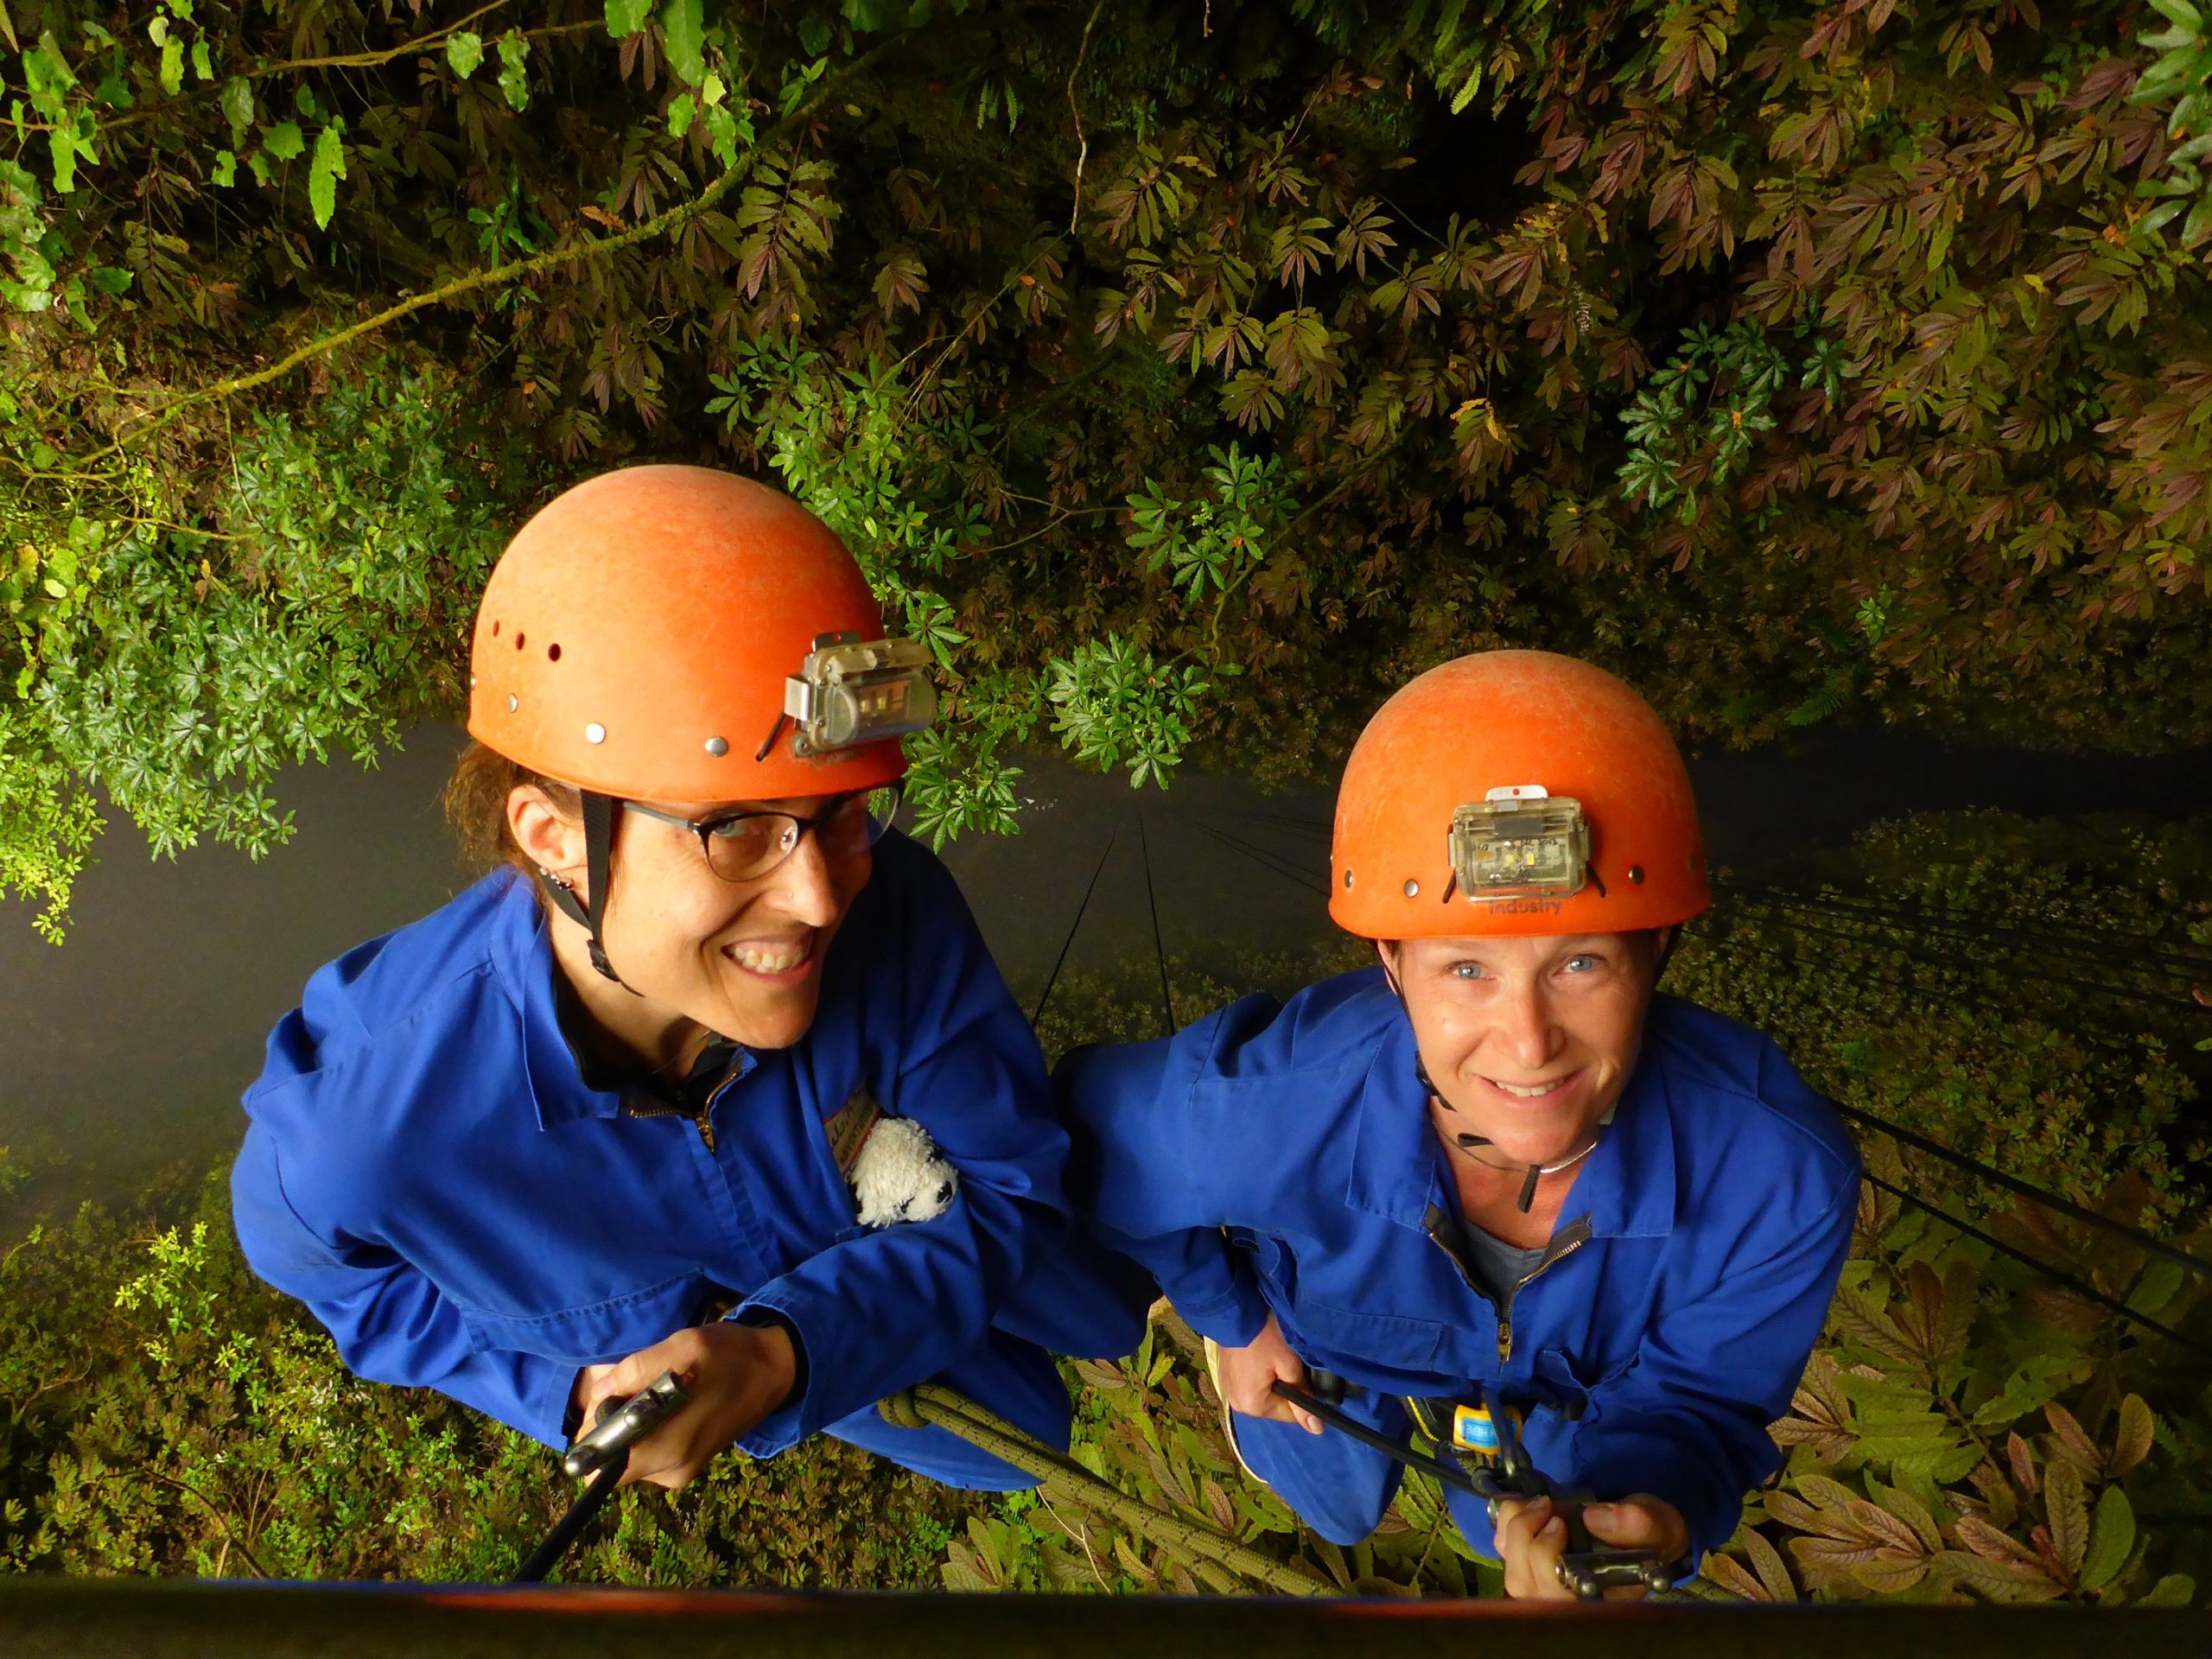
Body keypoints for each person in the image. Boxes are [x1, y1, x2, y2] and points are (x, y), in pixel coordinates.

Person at [233, 465, 1135, 1494]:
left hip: (1016, 1294)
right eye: (736, 828)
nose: (818, 897)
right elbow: (339, 1283)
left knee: (1113, 1333)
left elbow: (1014, 1184)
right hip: (892, 1401)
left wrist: (782, 1352)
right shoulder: (364, 1130)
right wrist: (568, 1388)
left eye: (840, 812)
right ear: (556, 838)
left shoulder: (889, 904)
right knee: (1030, 1459)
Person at [1061, 650, 1859, 1598]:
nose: (1528, 1045)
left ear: (1658, 953)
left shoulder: (1775, 1179)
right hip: (1326, 1355)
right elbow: (1102, 1134)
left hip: (1559, 1400)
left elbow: (1703, 1401)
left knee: (1509, 1535)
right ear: (1390, 966)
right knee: (1337, 1503)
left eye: (1581, 964)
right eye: (1466, 970)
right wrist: (1231, 1318)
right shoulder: (1259, 1111)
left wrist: (1654, 1507)